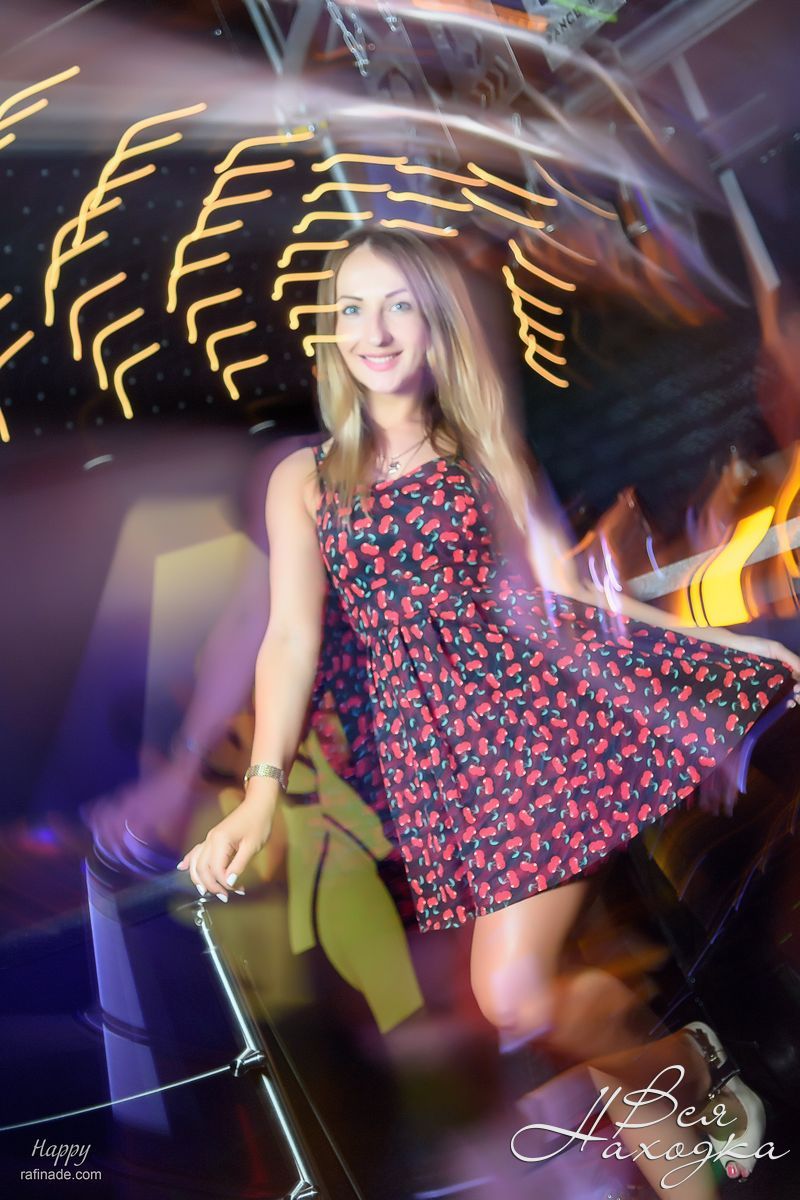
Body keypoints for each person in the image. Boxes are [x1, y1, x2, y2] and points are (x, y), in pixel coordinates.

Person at [179, 226, 800, 1195]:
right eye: (352, 308)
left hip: (526, 730)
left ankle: (691, 1063)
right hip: (440, 772)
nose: (374, 331)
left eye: (398, 305)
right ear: (330, 329)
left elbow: (560, 595)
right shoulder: (304, 480)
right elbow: (289, 639)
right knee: (524, 1007)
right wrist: (259, 795)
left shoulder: (476, 448)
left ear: (432, 322)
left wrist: (727, 651)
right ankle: (689, 1070)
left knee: (508, 995)